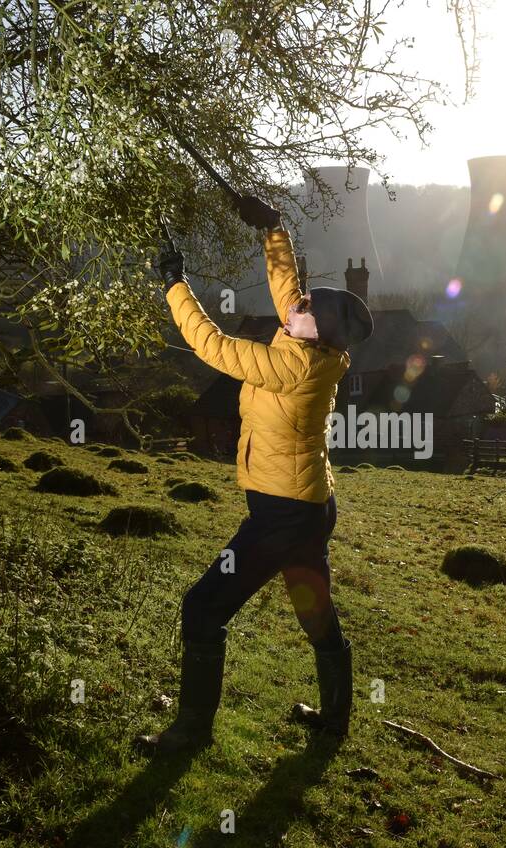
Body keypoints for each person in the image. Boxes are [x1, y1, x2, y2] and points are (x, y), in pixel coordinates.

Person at [138, 194, 373, 754]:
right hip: (310, 507)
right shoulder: (312, 341)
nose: (299, 303)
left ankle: (191, 732)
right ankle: (335, 722)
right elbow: (290, 288)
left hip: (282, 515)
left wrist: (175, 284)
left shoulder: (293, 364)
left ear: (315, 331)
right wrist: (272, 227)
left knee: (202, 607)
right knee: (314, 610)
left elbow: (212, 345)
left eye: (309, 307)